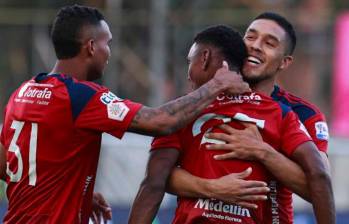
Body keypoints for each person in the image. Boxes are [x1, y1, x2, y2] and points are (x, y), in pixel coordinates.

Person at [0, 5, 250, 224]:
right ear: (90, 47)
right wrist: (217, 84)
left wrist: (73, 190)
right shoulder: (81, 96)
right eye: (107, 43)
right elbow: (161, 121)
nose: (109, 52)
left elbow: (6, 163)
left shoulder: (23, 92)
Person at [128, 20, 334, 224]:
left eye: (269, 43)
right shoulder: (189, 107)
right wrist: (213, 188)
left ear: (284, 62)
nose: (255, 45)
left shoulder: (295, 113)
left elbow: (319, 183)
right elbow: (157, 178)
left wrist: (263, 151)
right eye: (250, 37)